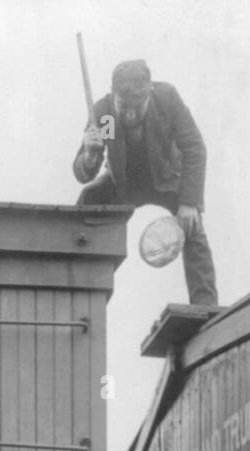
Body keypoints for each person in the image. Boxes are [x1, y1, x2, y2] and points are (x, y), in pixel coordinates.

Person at [72, 59, 219, 308]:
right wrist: (90, 155)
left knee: (193, 225)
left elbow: (194, 148)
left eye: (137, 107)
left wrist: (190, 202)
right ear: (113, 94)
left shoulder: (166, 100)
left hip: (167, 180)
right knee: (90, 198)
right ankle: (81, 295)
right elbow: (84, 171)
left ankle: (206, 306)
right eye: (123, 107)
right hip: (125, 185)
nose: (130, 115)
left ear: (149, 93)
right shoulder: (105, 115)